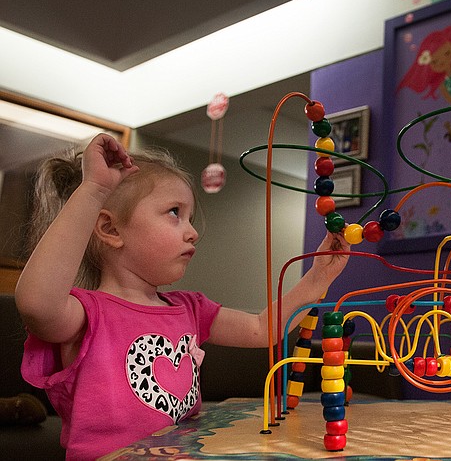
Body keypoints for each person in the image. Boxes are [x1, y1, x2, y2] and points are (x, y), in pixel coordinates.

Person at [14, 133, 350, 460]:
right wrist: (94, 190)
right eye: (175, 213)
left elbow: (263, 328)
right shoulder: (87, 314)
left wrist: (320, 275)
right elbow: (37, 303)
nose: (193, 231)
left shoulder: (191, 308)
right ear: (111, 229)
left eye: (189, 217)